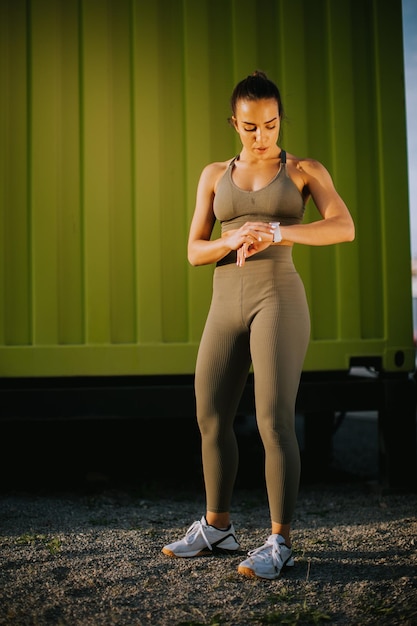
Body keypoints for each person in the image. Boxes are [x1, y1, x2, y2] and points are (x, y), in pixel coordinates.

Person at [162, 71, 355, 580]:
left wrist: (275, 230)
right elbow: (193, 250)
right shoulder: (212, 175)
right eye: (250, 127)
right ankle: (217, 527)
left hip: (278, 298)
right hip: (224, 302)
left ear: (279, 118)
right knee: (209, 416)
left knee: (272, 420)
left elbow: (344, 226)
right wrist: (230, 240)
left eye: (270, 124)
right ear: (234, 122)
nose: (261, 136)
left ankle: (279, 541)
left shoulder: (303, 170)